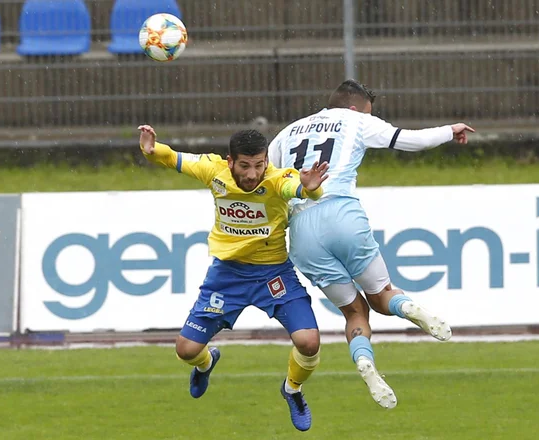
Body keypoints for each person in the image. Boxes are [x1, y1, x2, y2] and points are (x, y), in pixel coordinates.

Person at [268, 79, 476, 409]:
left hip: (302, 228)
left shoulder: (286, 133)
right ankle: (407, 307)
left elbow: (267, 186)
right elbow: (411, 140)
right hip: (342, 213)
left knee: (355, 311)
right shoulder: (356, 120)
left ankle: (364, 362)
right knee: (382, 296)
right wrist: (450, 130)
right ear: (354, 107)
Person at [138, 125, 329, 432]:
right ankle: (206, 362)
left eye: (259, 164)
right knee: (186, 351)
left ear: (266, 160)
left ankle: (292, 389)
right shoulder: (214, 172)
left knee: (309, 342)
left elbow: (301, 188)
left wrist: (310, 188)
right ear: (230, 162)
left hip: (273, 274)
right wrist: (151, 150)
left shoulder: (278, 179)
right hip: (227, 275)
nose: (253, 174)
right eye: (245, 166)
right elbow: (174, 159)